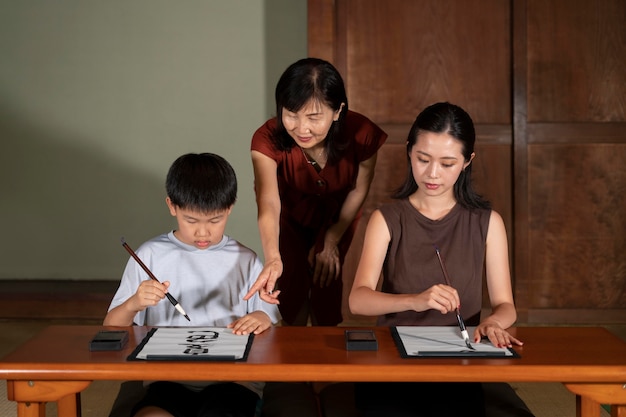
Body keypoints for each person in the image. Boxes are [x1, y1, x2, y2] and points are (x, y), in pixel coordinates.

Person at [346, 102, 533, 417]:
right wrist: (415, 301)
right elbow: (358, 300)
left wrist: (492, 323)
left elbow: (506, 305)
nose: (432, 173)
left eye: (447, 163)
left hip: (459, 362)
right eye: (423, 159)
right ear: (409, 152)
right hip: (394, 361)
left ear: (466, 162)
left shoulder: (488, 222)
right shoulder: (387, 218)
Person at [104, 153, 281, 417]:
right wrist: (133, 303)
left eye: (214, 220)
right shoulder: (150, 255)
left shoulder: (246, 260)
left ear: (230, 207)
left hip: (233, 381)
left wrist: (260, 317)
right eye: (191, 221)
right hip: (167, 379)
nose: (203, 233)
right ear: (171, 206)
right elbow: (111, 327)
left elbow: (273, 328)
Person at [244, 57, 388, 326]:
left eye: (313, 117)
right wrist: (273, 257)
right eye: (291, 115)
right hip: (287, 216)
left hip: (339, 214)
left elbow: (359, 189)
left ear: (337, 111)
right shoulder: (265, 138)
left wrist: (332, 239)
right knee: (290, 286)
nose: (302, 128)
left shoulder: (362, 133)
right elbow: (268, 202)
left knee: (327, 282)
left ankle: (326, 361)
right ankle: (293, 358)